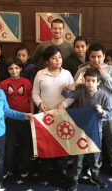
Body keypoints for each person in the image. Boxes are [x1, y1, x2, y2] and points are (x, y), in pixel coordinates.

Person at [74, 43, 112, 179]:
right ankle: (97, 162)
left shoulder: (111, 70)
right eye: (92, 56)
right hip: (89, 115)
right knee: (94, 142)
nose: (96, 60)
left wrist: (104, 75)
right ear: (88, 56)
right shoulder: (82, 70)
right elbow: (75, 91)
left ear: (104, 56)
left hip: (109, 114)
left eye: (99, 56)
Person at [61, 68, 112, 191]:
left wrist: (101, 111)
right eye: (88, 80)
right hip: (81, 130)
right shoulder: (81, 91)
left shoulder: (104, 95)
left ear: (98, 82)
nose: (90, 83)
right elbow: (65, 93)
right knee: (78, 157)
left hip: (96, 131)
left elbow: (109, 114)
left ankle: (95, 176)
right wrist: (75, 83)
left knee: (94, 157)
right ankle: (74, 179)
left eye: (93, 81)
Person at [32, 45, 74, 178]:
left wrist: (64, 104)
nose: (58, 60)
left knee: (62, 141)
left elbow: (73, 95)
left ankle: (61, 168)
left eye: (60, 57)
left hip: (62, 114)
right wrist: (40, 102)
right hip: (44, 115)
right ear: (47, 61)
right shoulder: (40, 74)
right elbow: (34, 93)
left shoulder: (67, 74)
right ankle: (45, 167)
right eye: (54, 58)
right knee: (46, 142)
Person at [0, 58, 34, 179]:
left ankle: (23, 167)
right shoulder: (3, 84)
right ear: (7, 70)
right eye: (11, 68)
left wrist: (32, 114)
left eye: (16, 68)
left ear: (21, 69)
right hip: (9, 118)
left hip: (25, 117)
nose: (14, 71)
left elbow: (31, 99)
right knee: (9, 145)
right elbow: (0, 103)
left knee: (25, 144)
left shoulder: (27, 82)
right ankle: (9, 167)